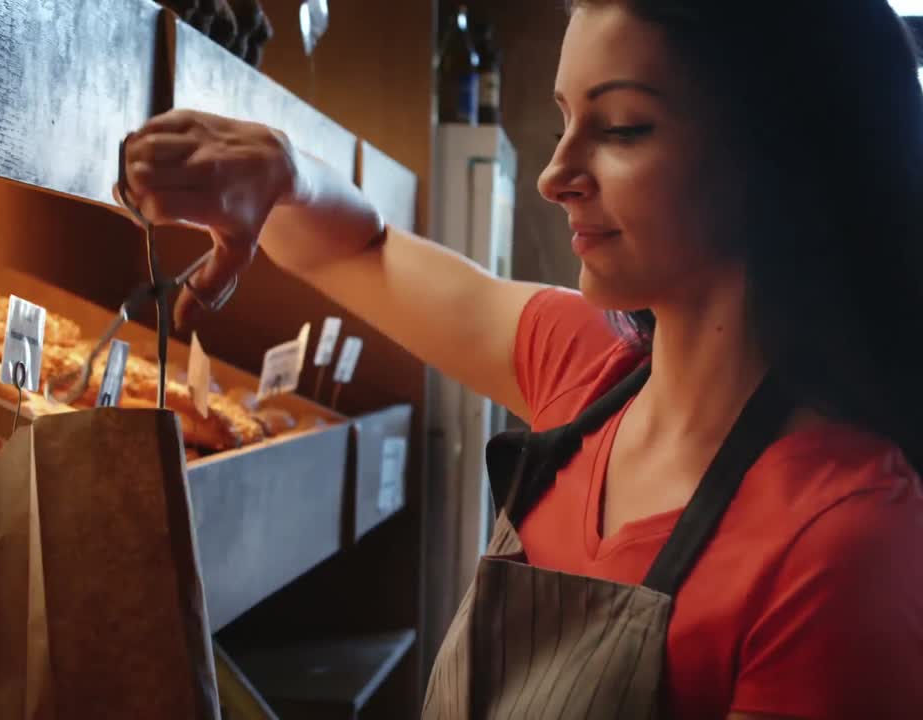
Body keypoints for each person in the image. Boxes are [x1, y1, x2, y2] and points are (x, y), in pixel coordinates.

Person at [120, 1, 923, 717]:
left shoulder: (845, 544)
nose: (553, 176)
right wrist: (283, 175)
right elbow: (362, 252)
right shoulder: (589, 365)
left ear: (780, 159)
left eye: (621, 128)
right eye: (564, 119)